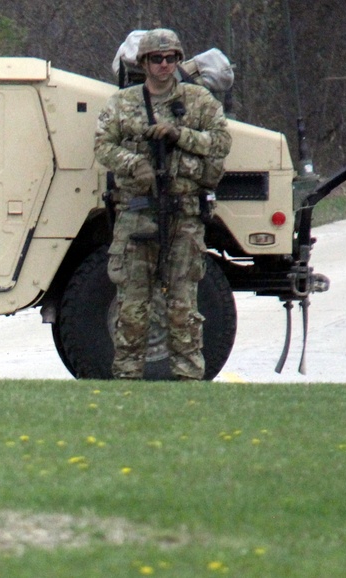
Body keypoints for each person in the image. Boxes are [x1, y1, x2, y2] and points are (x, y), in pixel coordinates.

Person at [94, 29, 232, 380]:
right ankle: (127, 378)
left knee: (183, 305)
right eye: (157, 58)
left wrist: (178, 135)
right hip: (138, 213)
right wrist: (134, 165)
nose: (165, 65)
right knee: (132, 305)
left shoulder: (198, 101)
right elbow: (103, 145)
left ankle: (188, 379)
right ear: (144, 63)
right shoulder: (123, 103)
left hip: (184, 214)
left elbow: (220, 141)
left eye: (171, 58)